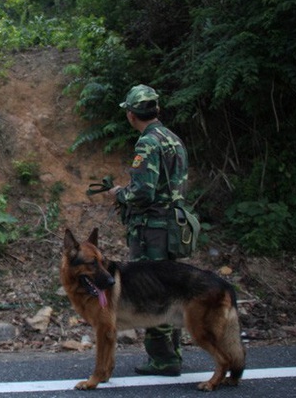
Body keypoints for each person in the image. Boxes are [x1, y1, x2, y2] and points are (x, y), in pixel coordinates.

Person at [107, 84, 188, 377]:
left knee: (152, 292)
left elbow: (142, 193)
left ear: (131, 115)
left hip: (151, 230)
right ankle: (174, 354)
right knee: (172, 289)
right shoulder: (173, 139)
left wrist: (118, 193)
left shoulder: (147, 143)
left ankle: (163, 359)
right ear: (156, 110)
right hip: (173, 228)